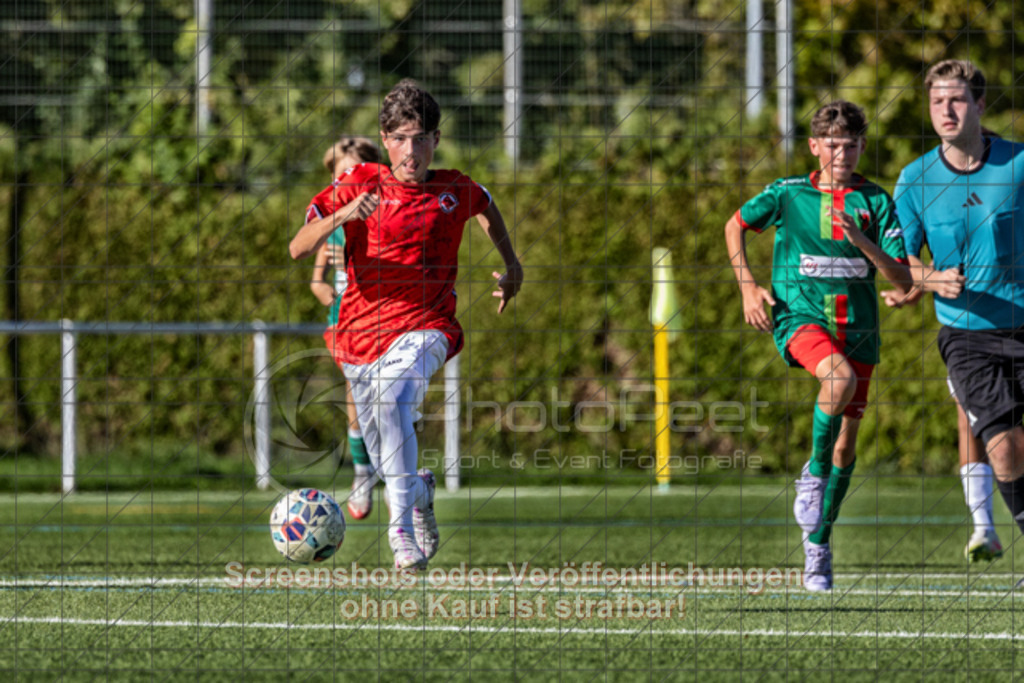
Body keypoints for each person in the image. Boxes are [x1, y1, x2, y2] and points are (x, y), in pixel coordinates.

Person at [290, 79, 523, 569]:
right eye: (400, 137)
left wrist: (512, 263)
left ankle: (399, 532)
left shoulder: (453, 188)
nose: (410, 150)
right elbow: (298, 246)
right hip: (359, 334)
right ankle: (418, 491)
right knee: (382, 448)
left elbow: (484, 203)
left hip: (429, 324)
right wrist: (348, 212)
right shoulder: (356, 183)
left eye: (421, 137)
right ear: (385, 136)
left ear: (436, 139)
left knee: (392, 395)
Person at [725, 100, 912, 591]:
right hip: (801, 318)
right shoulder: (787, 194)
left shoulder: (875, 201)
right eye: (832, 144)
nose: (841, 153)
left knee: (848, 447)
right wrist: (747, 286)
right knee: (838, 379)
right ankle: (812, 473)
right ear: (814, 146)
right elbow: (735, 225)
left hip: (860, 330)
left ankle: (819, 545)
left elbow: (901, 275)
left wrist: (865, 243)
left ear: (862, 147)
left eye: (851, 145)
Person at [894, 59, 1024, 569]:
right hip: (967, 334)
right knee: (1005, 450)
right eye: (936, 101)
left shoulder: (1017, 164)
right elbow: (901, 261)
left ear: (979, 105)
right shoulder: (915, 179)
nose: (946, 110)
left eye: (956, 100)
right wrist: (928, 279)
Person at [882, 288, 1003, 562]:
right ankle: (984, 526)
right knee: (970, 417)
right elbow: (951, 257)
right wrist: (915, 286)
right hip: (971, 325)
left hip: (1012, 318)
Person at [309, 136, 383, 521]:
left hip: (385, 317)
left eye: (350, 175)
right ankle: (362, 472)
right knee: (356, 390)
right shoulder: (331, 225)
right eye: (337, 177)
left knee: (395, 400)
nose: (344, 185)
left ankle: (397, 474)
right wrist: (335, 298)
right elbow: (317, 283)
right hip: (347, 323)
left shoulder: (386, 216)